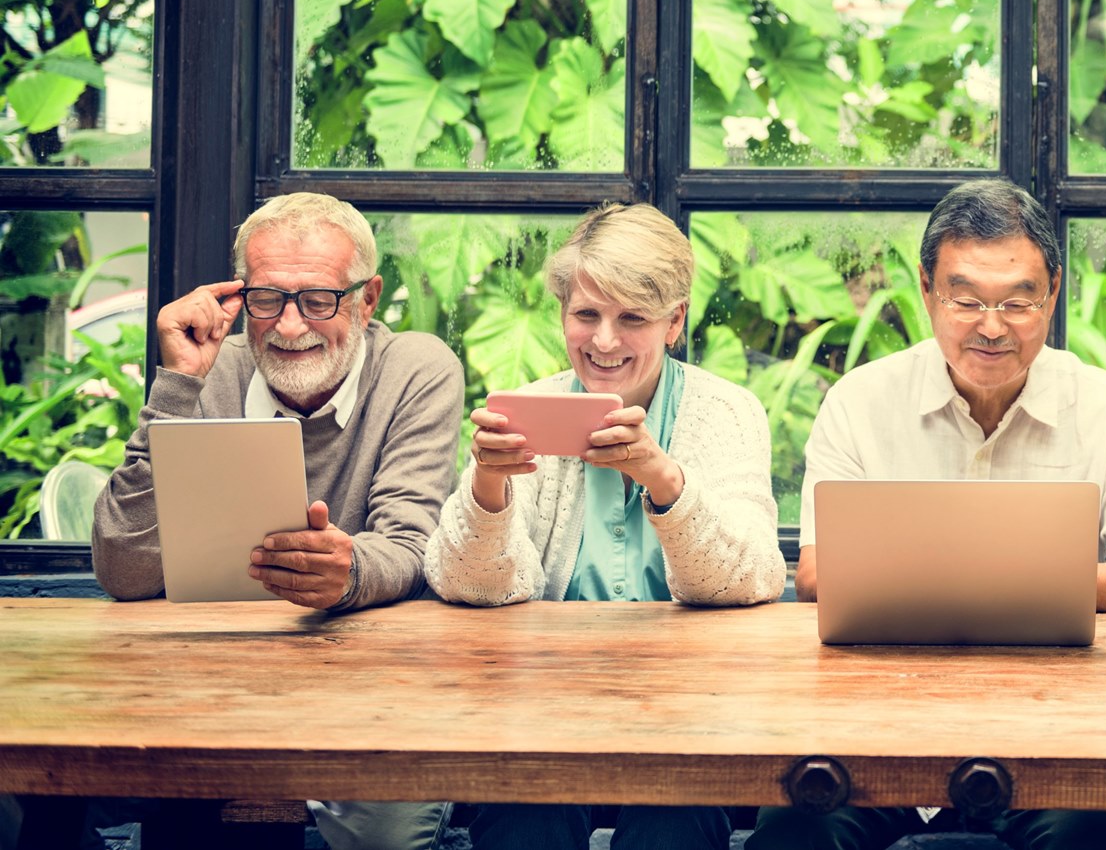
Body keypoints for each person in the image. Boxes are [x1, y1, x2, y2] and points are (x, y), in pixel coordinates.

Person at [748, 179, 1106, 850]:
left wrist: (999, 593)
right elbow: (816, 573)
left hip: (1055, 731)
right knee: (793, 834)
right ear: (927, 290)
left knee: (1095, 835)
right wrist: (1016, 591)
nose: (992, 326)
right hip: (873, 729)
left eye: (1017, 301)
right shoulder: (861, 402)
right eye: (966, 299)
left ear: (1053, 294)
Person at [87, 192, 463, 850]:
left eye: (320, 299)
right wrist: (177, 386)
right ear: (239, 299)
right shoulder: (210, 372)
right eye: (267, 299)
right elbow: (122, 568)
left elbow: (410, 543)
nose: (290, 326)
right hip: (214, 679)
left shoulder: (416, 368)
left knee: (387, 835)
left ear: (368, 298)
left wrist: (347, 573)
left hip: (373, 681)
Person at [426, 202, 783, 850]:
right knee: (524, 816)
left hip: (691, 718)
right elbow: (464, 586)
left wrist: (664, 480)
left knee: (675, 821)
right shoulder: (528, 406)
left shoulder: (726, 412)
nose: (605, 341)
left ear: (675, 322)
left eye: (633, 318)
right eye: (586, 314)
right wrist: (488, 486)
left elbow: (752, 577)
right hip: (543, 713)